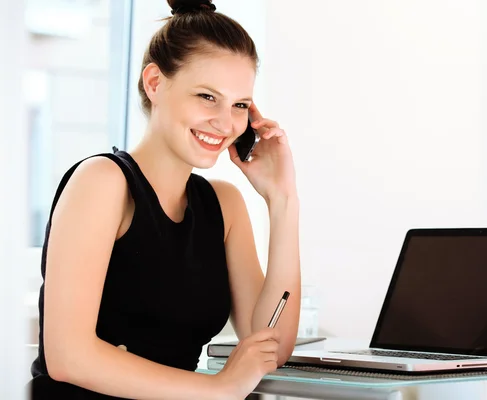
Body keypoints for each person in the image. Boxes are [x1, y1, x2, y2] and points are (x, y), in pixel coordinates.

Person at [28, 0, 300, 398]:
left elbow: (269, 346)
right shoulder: (103, 182)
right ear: (155, 83)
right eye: (207, 97)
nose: (225, 123)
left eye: (239, 104)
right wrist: (220, 389)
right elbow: (68, 357)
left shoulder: (224, 206)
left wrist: (283, 198)